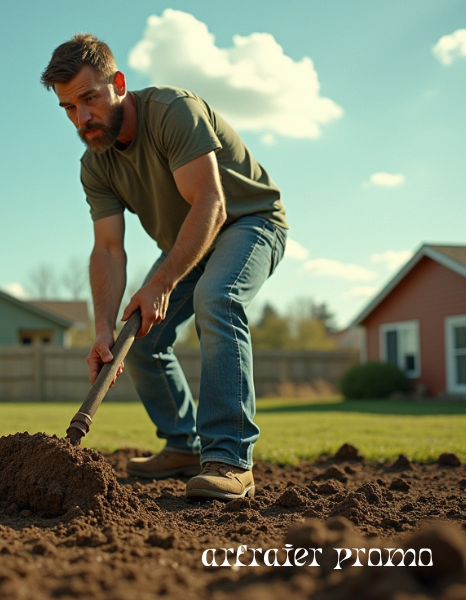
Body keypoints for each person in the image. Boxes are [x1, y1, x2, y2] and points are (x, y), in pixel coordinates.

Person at [40, 34, 288, 500]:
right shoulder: (96, 164)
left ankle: (230, 459)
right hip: (188, 243)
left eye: (89, 99)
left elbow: (211, 204)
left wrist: (162, 283)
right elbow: (109, 250)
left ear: (118, 83)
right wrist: (102, 329)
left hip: (248, 222)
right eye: (69, 109)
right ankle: (183, 445)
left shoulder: (174, 111)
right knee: (140, 335)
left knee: (216, 297)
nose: (82, 118)